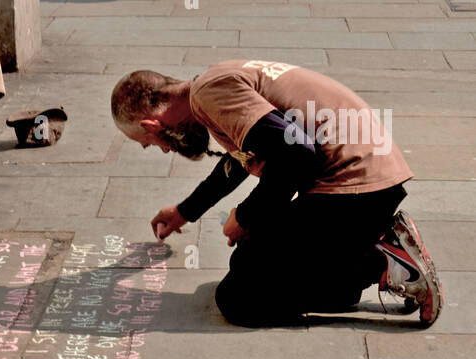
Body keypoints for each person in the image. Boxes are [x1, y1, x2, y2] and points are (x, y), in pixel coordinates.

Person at [110, 61, 442, 327]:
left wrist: (244, 216)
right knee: (248, 259)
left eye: (150, 144)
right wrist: (185, 211)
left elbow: (298, 155)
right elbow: (242, 159)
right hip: (369, 180)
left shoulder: (210, 94)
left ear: (151, 125)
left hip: (354, 190)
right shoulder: (213, 83)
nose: (166, 150)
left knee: (238, 299)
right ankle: (352, 258)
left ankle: (385, 261)